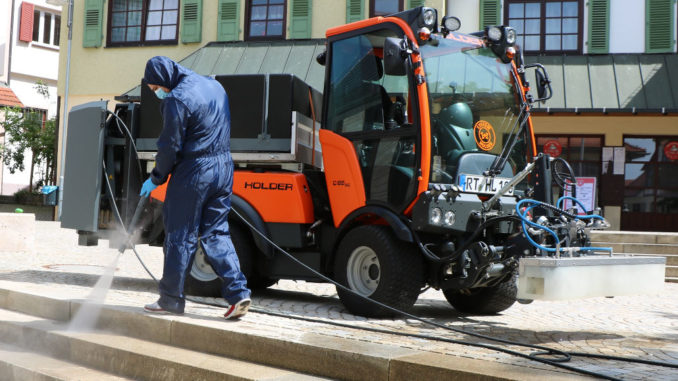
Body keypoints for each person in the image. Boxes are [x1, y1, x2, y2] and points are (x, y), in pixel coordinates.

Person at [139, 56, 251, 320]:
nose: (158, 94)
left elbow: (170, 147)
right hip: (224, 167)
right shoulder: (214, 86)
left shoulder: (177, 99)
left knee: (180, 235)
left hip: (194, 172)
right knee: (217, 233)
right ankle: (238, 293)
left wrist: (156, 177)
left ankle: (170, 300)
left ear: (164, 80)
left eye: (156, 89)